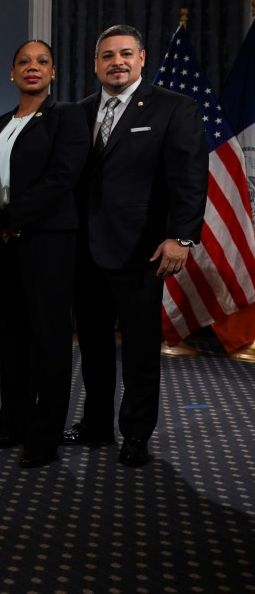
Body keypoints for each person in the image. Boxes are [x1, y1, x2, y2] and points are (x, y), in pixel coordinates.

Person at [65, 24, 207, 467]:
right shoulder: (79, 112)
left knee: (141, 351)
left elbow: (188, 178)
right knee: (93, 346)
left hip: (143, 252)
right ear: (95, 64)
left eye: (126, 53)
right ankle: (96, 423)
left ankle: (137, 434)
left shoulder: (174, 108)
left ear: (142, 58)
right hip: (84, 253)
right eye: (107, 56)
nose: (117, 62)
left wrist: (181, 237)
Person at [0, 40, 91, 467]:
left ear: (53, 72)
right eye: (23, 61)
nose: (32, 67)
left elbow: (63, 177)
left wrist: (14, 218)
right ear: (11, 73)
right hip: (4, 240)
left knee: (49, 338)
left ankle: (44, 437)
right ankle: (14, 424)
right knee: (16, 335)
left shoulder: (67, 117)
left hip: (48, 240)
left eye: (42, 61)